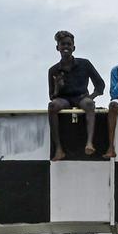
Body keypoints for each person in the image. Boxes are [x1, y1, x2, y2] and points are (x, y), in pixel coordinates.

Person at [47, 30, 105, 161]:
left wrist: (91, 97)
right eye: (63, 44)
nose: (66, 47)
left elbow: (100, 85)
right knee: (52, 106)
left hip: (81, 97)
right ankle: (59, 149)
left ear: (74, 47)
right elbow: (52, 96)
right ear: (58, 48)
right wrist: (58, 86)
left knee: (89, 104)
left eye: (68, 44)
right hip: (64, 99)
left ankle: (89, 143)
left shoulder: (85, 64)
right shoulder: (53, 70)